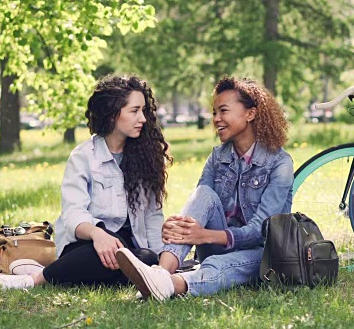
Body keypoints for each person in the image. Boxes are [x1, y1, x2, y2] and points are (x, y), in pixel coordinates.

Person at [116, 77, 293, 300]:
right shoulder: (218, 158)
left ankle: (168, 284)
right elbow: (201, 207)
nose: (216, 119)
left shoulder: (279, 164)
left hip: (262, 254)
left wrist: (205, 235)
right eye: (214, 113)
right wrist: (178, 227)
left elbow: (261, 231)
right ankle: (161, 272)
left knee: (218, 263)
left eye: (223, 111)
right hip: (215, 242)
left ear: (251, 114)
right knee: (203, 193)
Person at [0, 75, 171, 289]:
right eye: (134, 111)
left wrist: (163, 265)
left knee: (147, 258)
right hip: (86, 244)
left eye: (143, 111)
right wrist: (98, 234)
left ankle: (65, 273)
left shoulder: (145, 156)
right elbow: (73, 214)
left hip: (128, 250)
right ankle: (34, 280)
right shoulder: (84, 156)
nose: (142, 118)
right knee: (111, 250)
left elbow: (152, 216)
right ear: (112, 114)